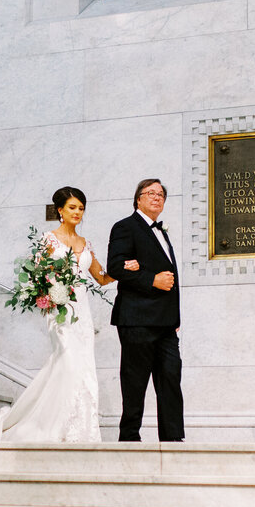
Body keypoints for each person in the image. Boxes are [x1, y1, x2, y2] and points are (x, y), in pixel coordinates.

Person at [0, 187, 137, 442]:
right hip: (60, 312)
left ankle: (80, 430)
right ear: (60, 210)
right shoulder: (49, 240)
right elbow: (35, 278)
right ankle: (54, 429)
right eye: (72, 207)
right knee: (69, 362)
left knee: (81, 368)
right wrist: (47, 296)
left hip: (82, 313)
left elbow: (102, 278)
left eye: (81, 208)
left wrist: (125, 268)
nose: (77, 212)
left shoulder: (85, 244)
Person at [107, 178, 184, 442]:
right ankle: (129, 439)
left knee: (171, 379)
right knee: (134, 382)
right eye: (150, 193)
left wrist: (176, 318)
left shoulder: (162, 232)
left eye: (161, 194)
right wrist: (151, 279)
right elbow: (116, 267)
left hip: (166, 324)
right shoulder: (125, 227)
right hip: (137, 319)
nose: (157, 198)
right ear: (138, 198)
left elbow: (172, 280)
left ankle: (173, 440)